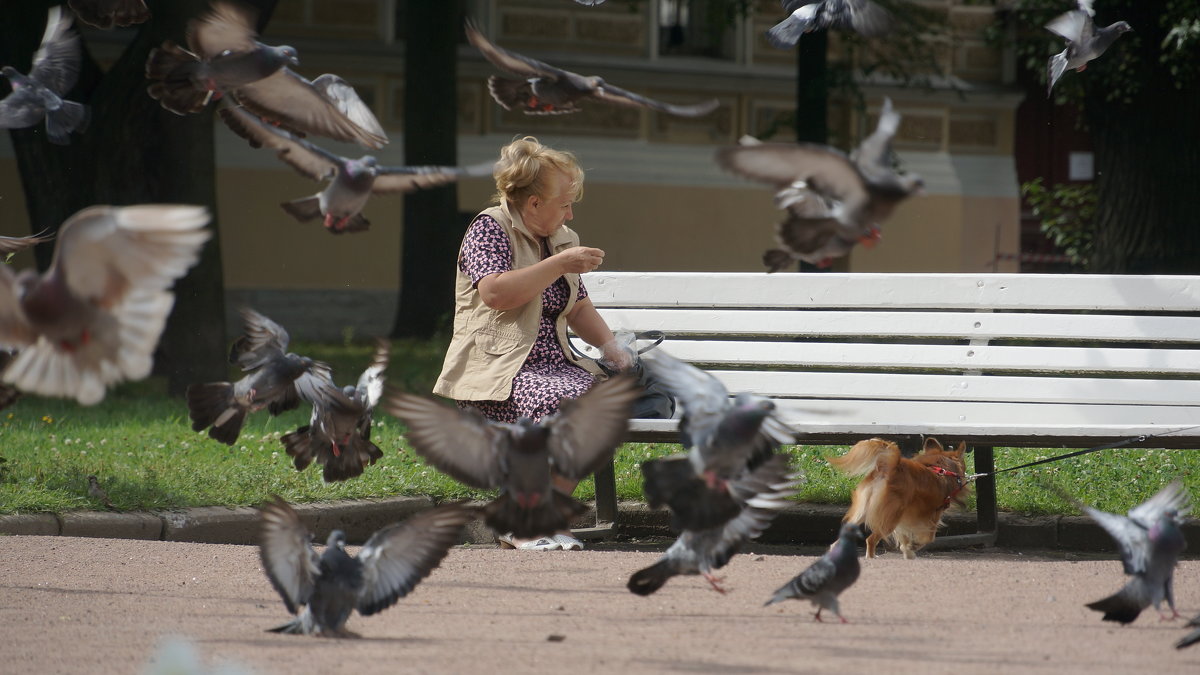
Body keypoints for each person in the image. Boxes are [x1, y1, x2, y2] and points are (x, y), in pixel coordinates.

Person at [433, 136, 630, 551]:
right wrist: (557, 263)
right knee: (564, 401)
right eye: (564, 203)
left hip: (554, 363)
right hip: (501, 370)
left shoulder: (562, 236)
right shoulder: (490, 228)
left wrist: (612, 348)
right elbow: (496, 294)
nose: (570, 213)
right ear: (534, 203)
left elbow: (576, 306)